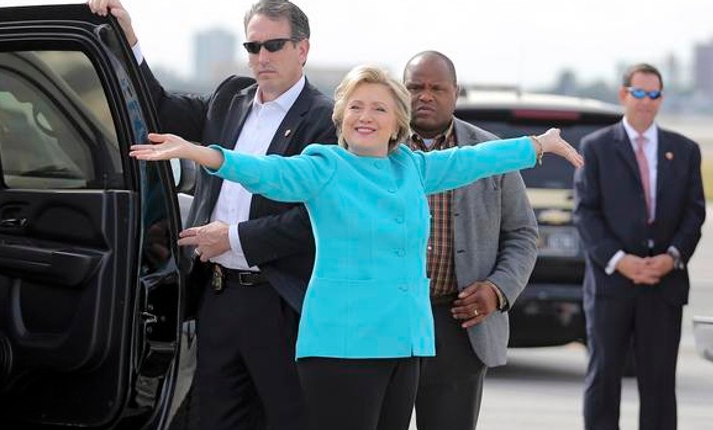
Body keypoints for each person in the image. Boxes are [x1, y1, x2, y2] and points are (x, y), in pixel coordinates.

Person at [129, 64, 582, 430]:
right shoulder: (325, 166)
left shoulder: (411, 167)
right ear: (342, 118)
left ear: (397, 123)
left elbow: (472, 160)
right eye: (357, 107)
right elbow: (264, 171)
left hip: (405, 343)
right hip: (343, 347)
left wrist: (538, 145)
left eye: (379, 109)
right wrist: (199, 152)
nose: (366, 116)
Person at [88, 1, 336, 430]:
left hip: (280, 302)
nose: (261, 57)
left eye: (274, 46)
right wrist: (128, 37)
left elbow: (314, 220)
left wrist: (234, 239)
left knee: (288, 420)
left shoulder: (325, 120)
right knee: (213, 419)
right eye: (253, 46)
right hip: (219, 296)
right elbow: (160, 108)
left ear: (303, 49)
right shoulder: (229, 99)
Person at [403, 51, 538, 430]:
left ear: (455, 93)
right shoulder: (377, 150)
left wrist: (497, 290)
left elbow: (523, 234)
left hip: (459, 326)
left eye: (436, 88)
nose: (425, 96)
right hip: (389, 323)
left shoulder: (490, 154)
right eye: (415, 87)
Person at [574, 63, 706, 430]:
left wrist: (672, 257)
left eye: (654, 95)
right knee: (604, 379)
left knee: (660, 383)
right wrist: (620, 260)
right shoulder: (596, 148)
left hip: (663, 286)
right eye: (639, 93)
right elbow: (585, 213)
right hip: (611, 285)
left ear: (661, 99)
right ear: (623, 95)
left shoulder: (685, 150)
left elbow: (694, 214)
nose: (646, 102)